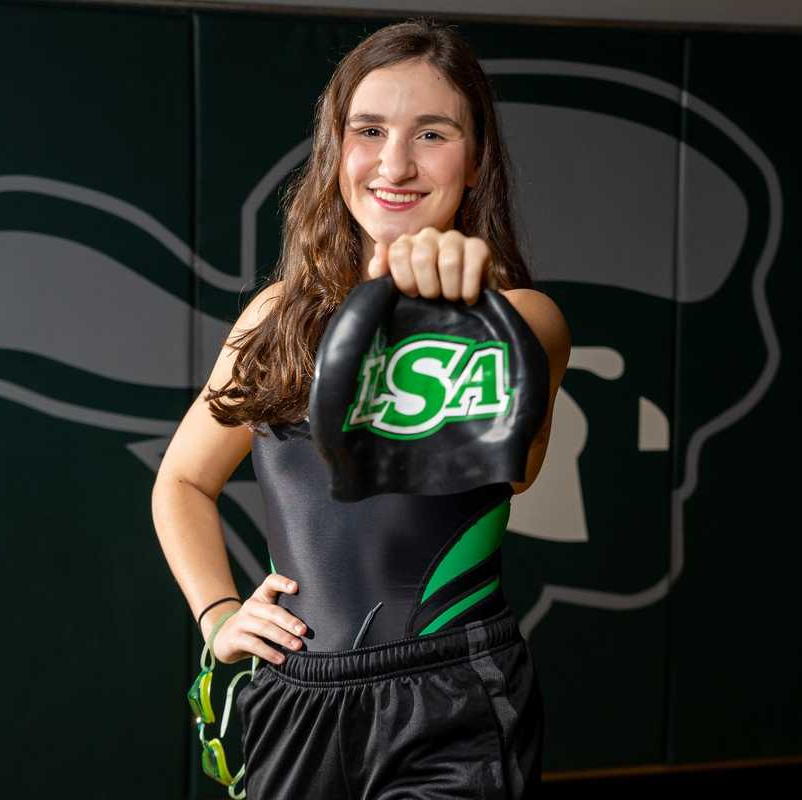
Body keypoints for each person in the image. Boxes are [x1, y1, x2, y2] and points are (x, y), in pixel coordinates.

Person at [152, 17, 570, 799]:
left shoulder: (518, 320)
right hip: (292, 696)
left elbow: (506, 453)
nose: (395, 163)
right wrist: (219, 615)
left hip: (450, 700)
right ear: (333, 151)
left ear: (476, 161)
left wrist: (451, 294)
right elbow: (181, 482)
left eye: (433, 134)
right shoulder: (274, 316)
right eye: (369, 130)